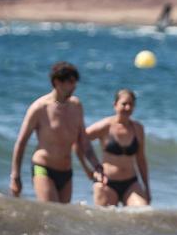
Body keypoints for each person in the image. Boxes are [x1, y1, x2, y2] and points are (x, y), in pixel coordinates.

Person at [10, 62, 106, 203]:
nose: (74, 86)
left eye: (75, 82)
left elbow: (84, 143)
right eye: (71, 82)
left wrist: (97, 166)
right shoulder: (39, 108)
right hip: (43, 168)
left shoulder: (76, 106)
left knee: (62, 216)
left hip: (66, 172)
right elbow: (21, 142)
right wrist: (15, 176)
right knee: (50, 211)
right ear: (57, 82)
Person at [85, 89, 151, 207]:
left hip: (131, 183)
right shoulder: (105, 126)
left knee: (143, 213)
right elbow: (80, 141)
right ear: (115, 105)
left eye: (131, 104)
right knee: (106, 220)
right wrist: (91, 169)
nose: (127, 108)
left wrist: (147, 187)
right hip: (106, 183)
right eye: (124, 104)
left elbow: (141, 159)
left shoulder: (138, 129)